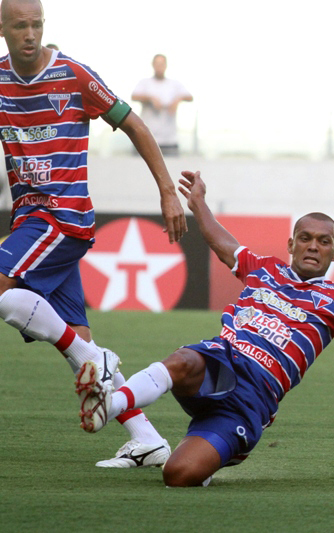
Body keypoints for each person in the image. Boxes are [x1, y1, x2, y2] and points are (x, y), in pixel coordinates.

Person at [76, 170, 334, 487]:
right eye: (305, 238)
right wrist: (199, 204)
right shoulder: (265, 269)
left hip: (253, 399)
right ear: (291, 244)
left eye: (324, 242)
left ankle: (205, 455)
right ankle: (110, 405)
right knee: (185, 360)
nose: (313, 246)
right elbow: (224, 244)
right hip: (221, 364)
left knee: (179, 475)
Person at [0, 0, 186, 468]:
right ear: (3, 28)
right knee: (77, 346)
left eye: (37, 25)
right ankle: (146, 438)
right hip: (28, 220)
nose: (30, 34)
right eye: (20, 25)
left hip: (63, 218)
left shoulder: (74, 75)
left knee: (7, 296)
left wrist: (167, 190)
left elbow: (134, 123)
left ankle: (93, 356)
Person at [131, 54, 193, 156]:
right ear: (153, 65)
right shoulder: (145, 83)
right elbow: (134, 96)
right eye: (157, 64)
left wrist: (178, 99)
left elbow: (189, 97)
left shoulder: (174, 84)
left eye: (162, 64)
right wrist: (150, 98)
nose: (159, 67)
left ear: (166, 66)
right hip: (146, 140)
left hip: (169, 141)